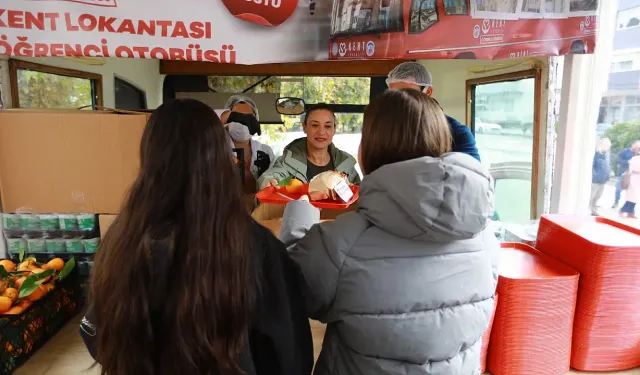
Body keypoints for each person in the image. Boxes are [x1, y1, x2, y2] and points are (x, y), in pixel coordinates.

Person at [79, 99, 314, 375]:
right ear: (221, 156)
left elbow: (98, 336)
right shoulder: (257, 247)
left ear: (149, 156)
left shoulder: (123, 240)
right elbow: (290, 356)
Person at [279, 89, 498, 374]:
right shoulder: (485, 239)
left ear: (369, 148)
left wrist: (299, 215)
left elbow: (289, 288)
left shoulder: (340, 244)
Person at [386, 61, 481, 161]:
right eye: (393, 95)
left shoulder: (457, 132)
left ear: (427, 92)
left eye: (407, 94)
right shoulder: (385, 129)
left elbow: (472, 173)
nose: (398, 101)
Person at [256, 104, 361, 189]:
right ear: (304, 127)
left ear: (334, 129)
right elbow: (271, 176)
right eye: (315, 125)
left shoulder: (345, 164)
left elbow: (359, 195)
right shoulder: (289, 161)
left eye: (328, 126)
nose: (321, 132)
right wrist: (268, 181)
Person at [216, 95, 275, 194]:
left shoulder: (266, 152)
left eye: (249, 118)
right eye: (237, 117)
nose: (243, 123)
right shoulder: (216, 152)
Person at [613, 141, 640, 208]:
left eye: (638, 147)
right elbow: (617, 159)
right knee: (619, 189)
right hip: (623, 173)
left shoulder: (637, 154)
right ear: (633, 145)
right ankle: (616, 202)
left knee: (631, 192)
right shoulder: (625, 151)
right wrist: (627, 162)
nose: (637, 148)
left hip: (633, 176)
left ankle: (628, 207)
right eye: (636, 146)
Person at [590, 137, 611, 216]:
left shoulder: (606, 155)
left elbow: (607, 166)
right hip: (595, 180)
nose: (608, 147)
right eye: (607, 145)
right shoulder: (596, 154)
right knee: (591, 196)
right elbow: (592, 166)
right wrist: (594, 174)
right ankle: (589, 210)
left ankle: (593, 210)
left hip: (602, 180)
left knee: (597, 196)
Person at [620, 148, 640, 218]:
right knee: (632, 197)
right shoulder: (635, 158)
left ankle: (630, 211)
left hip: (638, 180)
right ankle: (623, 210)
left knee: (636, 197)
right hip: (634, 179)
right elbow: (635, 168)